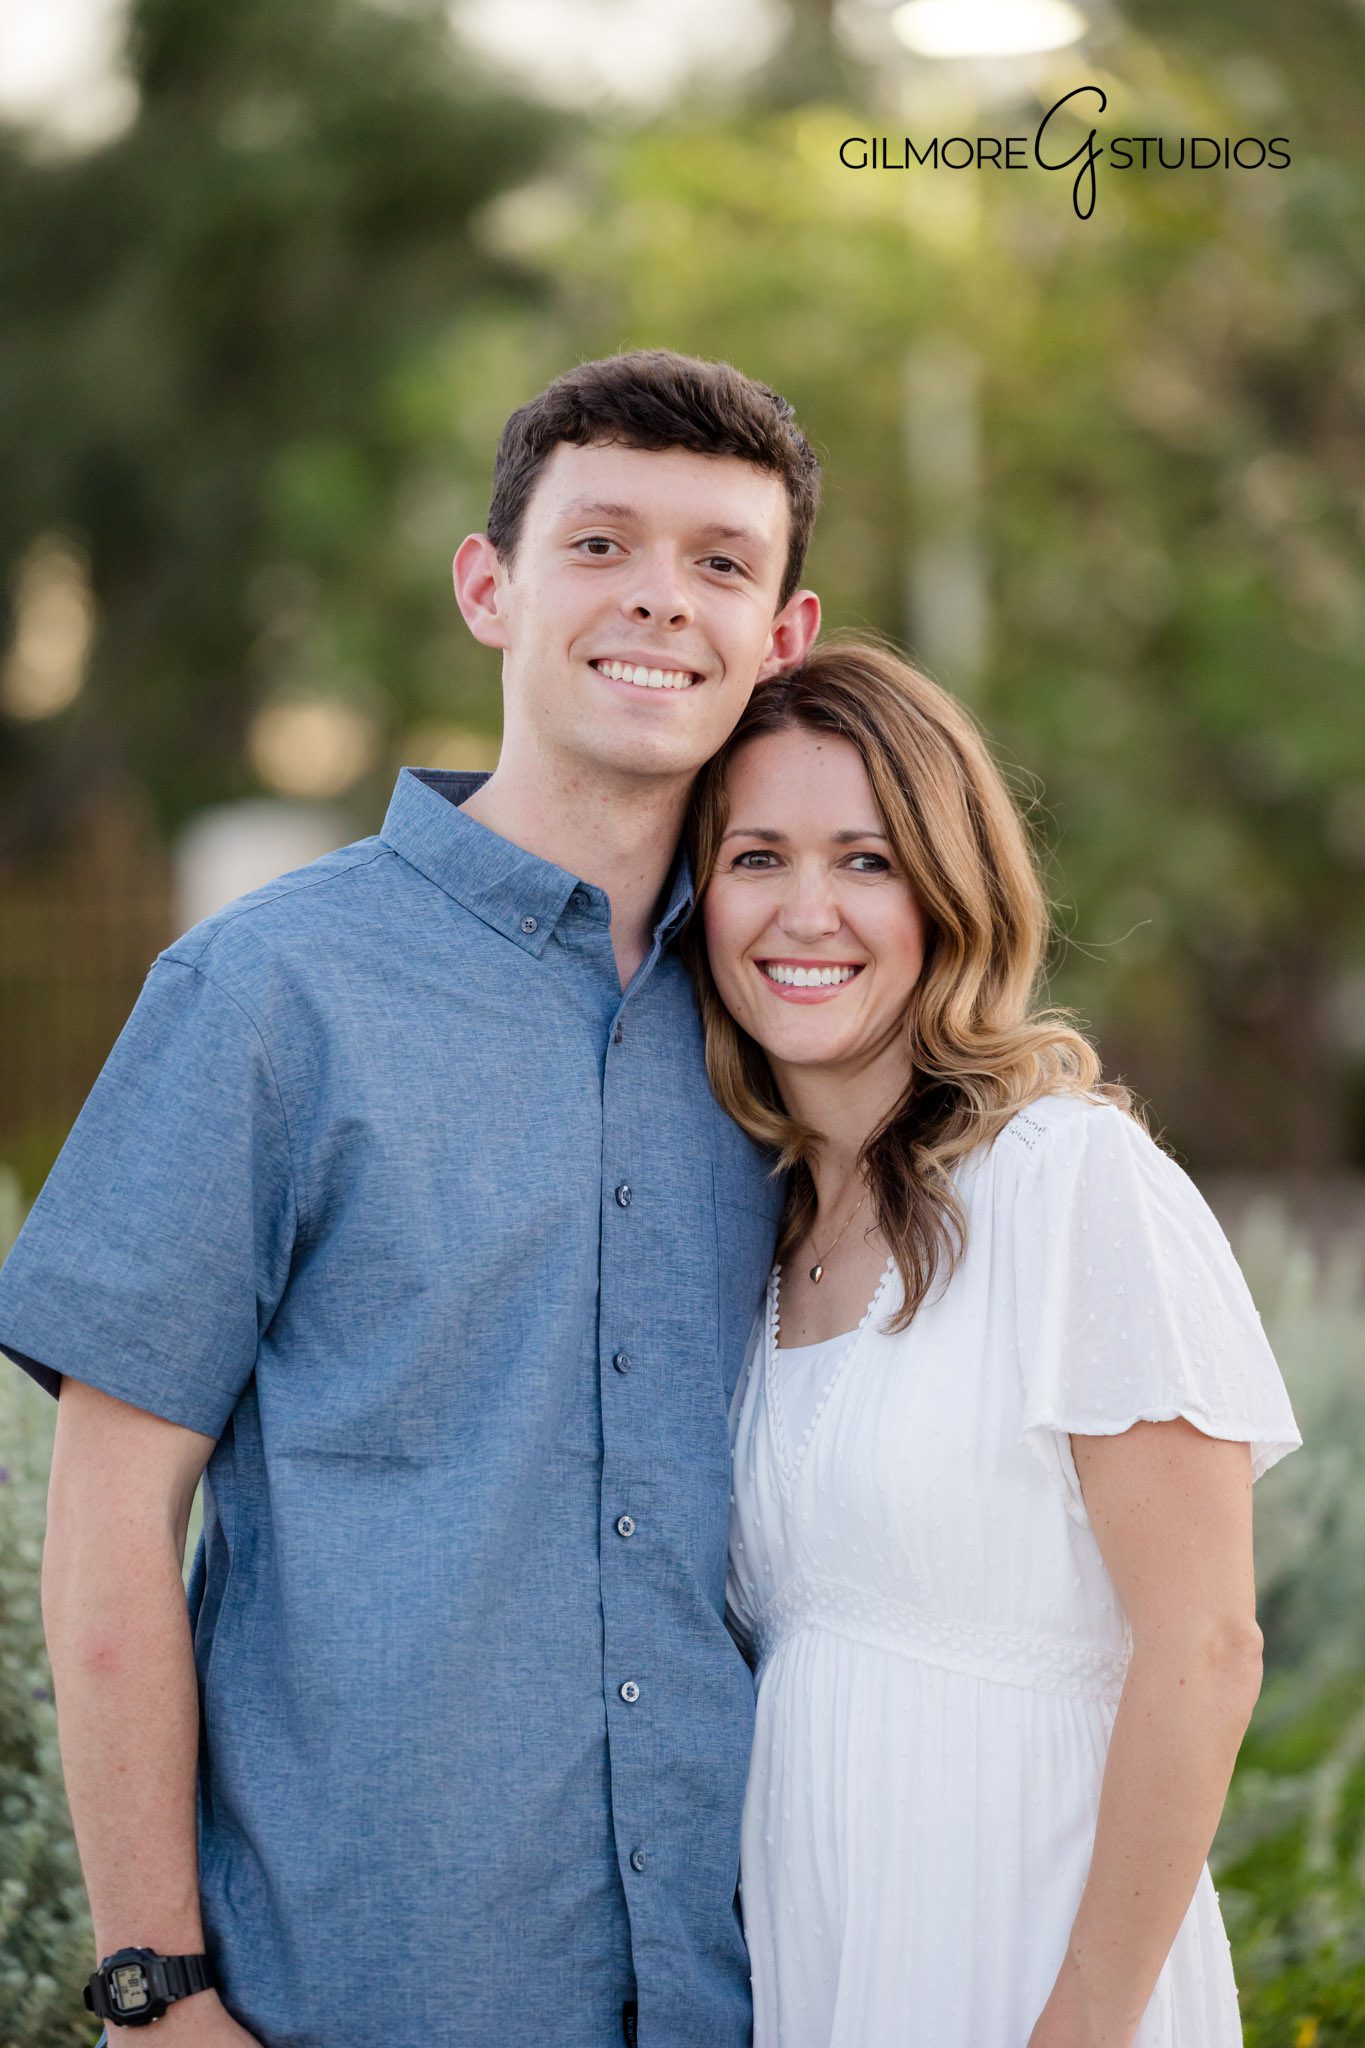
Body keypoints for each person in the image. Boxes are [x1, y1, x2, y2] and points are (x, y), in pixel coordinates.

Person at [0, 349, 821, 2048]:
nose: (660, 602)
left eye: (720, 563)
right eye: (600, 545)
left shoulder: (794, 1023)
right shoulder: (265, 995)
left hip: (752, 1986)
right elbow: (106, 1523)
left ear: (782, 636)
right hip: (368, 1988)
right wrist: (155, 1991)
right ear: (488, 587)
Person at [682, 637, 1302, 2048]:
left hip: (1035, 1959)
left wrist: (1075, 2028)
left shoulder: (1069, 1183)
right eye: (756, 858)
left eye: (865, 860)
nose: (804, 912)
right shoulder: (757, 1233)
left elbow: (1205, 1647)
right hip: (819, 1956)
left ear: (948, 895)